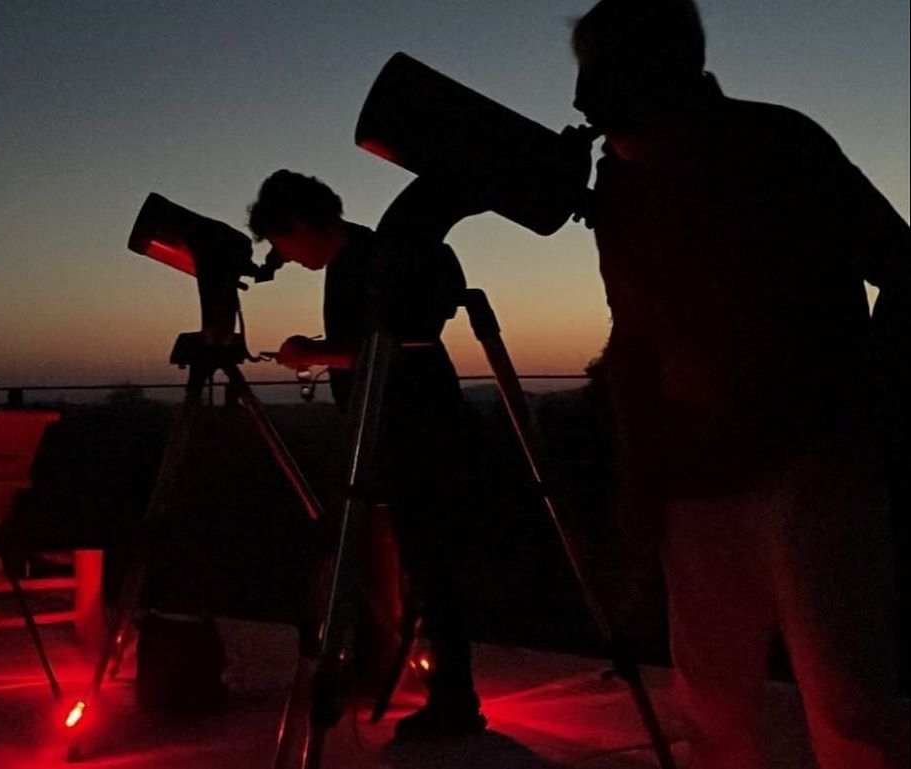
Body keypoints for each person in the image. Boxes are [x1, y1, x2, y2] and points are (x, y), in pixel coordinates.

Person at [570, 1, 910, 767]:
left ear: (671, 74)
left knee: (848, 702)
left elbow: (900, 267)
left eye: (603, 78)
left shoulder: (780, 145)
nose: (585, 104)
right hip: (693, 481)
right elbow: (633, 336)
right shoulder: (620, 189)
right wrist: (639, 481)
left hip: (813, 469)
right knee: (711, 704)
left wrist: (846, 411)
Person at [247, 170, 486, 740]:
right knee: (419, 563)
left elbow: (390, 347)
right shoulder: (359, 258)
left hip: (416, 432)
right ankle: (430, 685)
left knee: (433, 566)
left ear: (299, 225)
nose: (280, 255)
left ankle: (454, 702)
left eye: (280, 241)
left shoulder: (373, 260)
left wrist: (312, 351)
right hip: (395, 432)